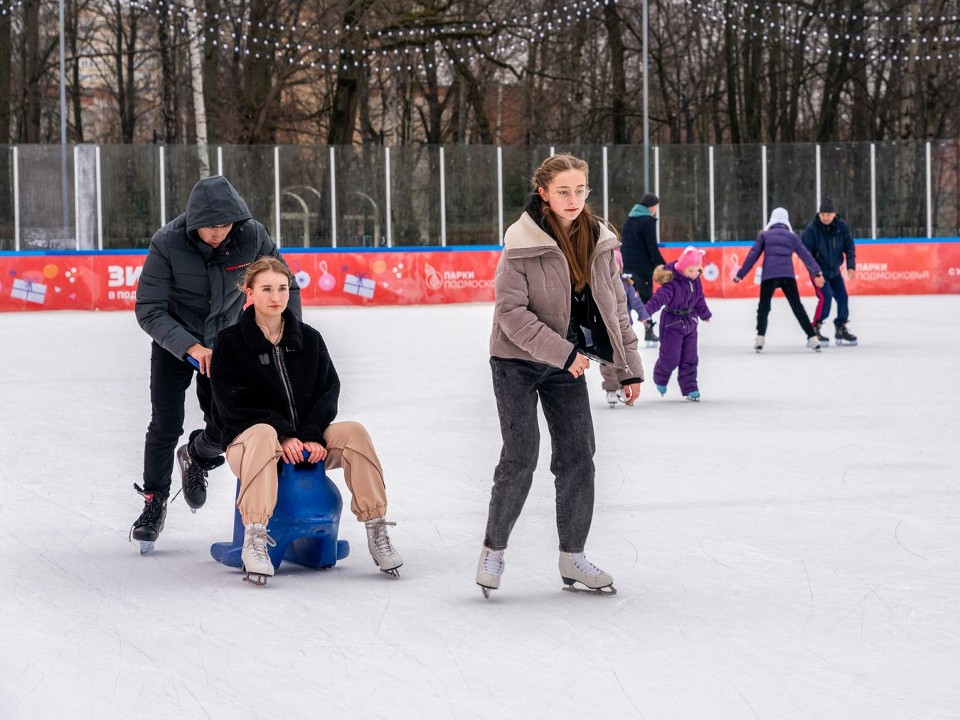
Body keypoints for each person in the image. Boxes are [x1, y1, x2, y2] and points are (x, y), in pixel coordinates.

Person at [478, 153, 644, 597]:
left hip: (567, 363)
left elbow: (616, 308)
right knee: (521, 457)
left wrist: (628, 370)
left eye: (580, 190)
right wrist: (565, 353)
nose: (573, 199)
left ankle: (573, 556)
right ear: (544, 194)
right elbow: (511, 313)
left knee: (578, 456)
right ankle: (493, 549)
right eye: (563, 191)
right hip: (515, 361)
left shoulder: (600, 240)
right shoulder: (521, 242)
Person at [131, 175, 301, 551]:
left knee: (229, 423)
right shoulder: (167, 242)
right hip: (175, 342)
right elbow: (149, 308)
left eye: (225, 225)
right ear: (194, 222)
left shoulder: (252, 236)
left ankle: (196, 455)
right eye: (210, 226)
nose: (218, 233)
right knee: (165, 423)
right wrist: (191, 347)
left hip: (226, 343)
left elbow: (286, 283)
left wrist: (289, 337)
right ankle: (154, 502)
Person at [210, 257, 402, 585]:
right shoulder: (230, 342)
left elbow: (328, 391)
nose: (276, 297)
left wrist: (312, 434)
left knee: (354, 433)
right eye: (266, 289)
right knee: (263, 433)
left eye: (282, 288)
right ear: (250, 293)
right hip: (250, 444)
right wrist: (283, 434)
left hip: (305, 439)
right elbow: (232, 404)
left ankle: (376, 528)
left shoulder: (309, 339)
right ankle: (255, 538)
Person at [734, 207, 826, 352]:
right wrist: (817, 272)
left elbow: (752, 256)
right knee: (797, 308)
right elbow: (805, 255)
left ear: (772, 219)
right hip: (787, 276)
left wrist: (740, 274)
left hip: (769, 276)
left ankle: (760, 339)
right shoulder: (792, 237)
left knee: (763, 308)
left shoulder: (764, 235)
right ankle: (813, 338)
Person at [643, 246, 712, 401]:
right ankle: (661, 377)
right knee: (671, 358)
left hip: (691, 322)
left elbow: (699, 298)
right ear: (682, 267)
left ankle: (690, 388)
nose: (694, 274)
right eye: (690, 270)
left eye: (697, 271)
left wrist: (705, 314)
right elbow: (659, 298)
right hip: (672, 324)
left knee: (690, 358)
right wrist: (645, 312)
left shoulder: (695, 280)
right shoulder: (672, 281)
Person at [801, 197, 859, 345]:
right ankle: (814, 328)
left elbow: (849, 247)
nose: (825, 217)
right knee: (825, 298)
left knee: (843, 298)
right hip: (818, 272)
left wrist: (851, 266)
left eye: (828, 214)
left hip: (834, 271)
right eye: (823, 214)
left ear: (834, 214)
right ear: (819, 214)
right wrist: (816, 273)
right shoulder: (811, 230)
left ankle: (841, 327)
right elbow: (806, 255)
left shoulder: (842, 227)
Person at [601, 248, 650, 407]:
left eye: (615, 266)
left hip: (623, 328)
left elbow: (636, 303)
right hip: (604, 330)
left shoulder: (627, 285)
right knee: (607, 361)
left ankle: (625, 385)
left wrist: (644, 316)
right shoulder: (599, 284)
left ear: (620, 267)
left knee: (625, 358)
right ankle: (610, 388)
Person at [620, 192, 665, 346]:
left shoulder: (629, 220)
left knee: (626, 301)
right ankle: (649, 332)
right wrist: (662, 265)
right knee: (647, 301)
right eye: (656, 207)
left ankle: (623, 333)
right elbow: (652, 247)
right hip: (642, 268)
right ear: (652, 207)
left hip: (626, 267)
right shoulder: (647, 221)